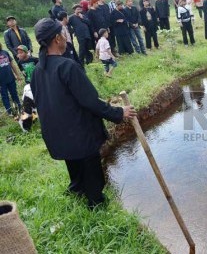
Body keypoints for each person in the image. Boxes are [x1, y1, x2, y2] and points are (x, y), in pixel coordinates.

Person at [31, 18, 136, 210]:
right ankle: (96, 205)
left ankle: (77, 190)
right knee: (91, 170)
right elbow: (90, 102)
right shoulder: (67, 67)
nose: (66, 37)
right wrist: (119, 112)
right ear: (56, 38)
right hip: (78, 132)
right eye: (63, 34)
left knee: (74, 164)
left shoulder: (39, 70)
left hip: (59, 133)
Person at [16, 45, 38, 131]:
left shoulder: (35, 60)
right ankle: (33, 118)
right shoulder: (19, 62)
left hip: (37, 82)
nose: (19, 55)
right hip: (28, 83)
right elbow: (23, 71)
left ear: (26, 52)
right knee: (29, 101)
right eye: (18, 53)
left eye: (21, 52)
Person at [0, 42, 22, 116]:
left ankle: (19, 106)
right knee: (4, 96)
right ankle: (9, 111)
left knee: (14, 93)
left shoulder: (5, 52)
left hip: (10, 78)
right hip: (1, 82)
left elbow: (12, 64)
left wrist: (17, 75)